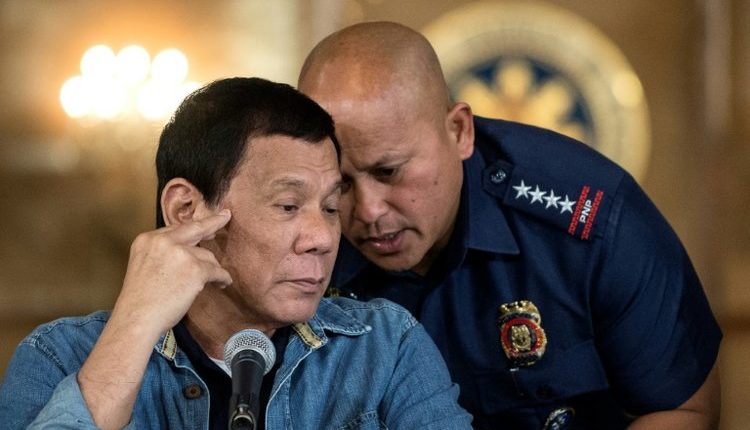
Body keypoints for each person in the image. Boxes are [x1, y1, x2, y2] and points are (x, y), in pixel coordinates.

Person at [297, 21, 722, 429]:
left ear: (459, 131)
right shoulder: (293, 238)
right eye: (341, 185)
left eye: (389, 172)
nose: (368, 212)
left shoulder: (591, 222)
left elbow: (684, 410)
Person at [0, 77, 472, 429]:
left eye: (330, 206)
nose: (324, 237)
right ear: (186, 210)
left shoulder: (384, 347)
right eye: (288, 205)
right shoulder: (60, 355)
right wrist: (135, 324)